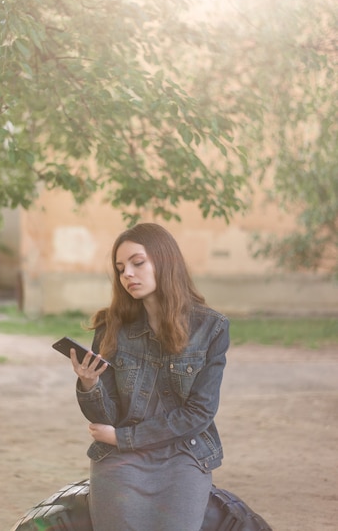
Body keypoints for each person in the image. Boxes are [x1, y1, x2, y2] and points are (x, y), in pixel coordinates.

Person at [70, 222, 230, 531]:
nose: (127, 273)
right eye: (120, 268)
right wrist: (89, 385)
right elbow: (108, 417)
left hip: (184, 455)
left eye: (137, 263)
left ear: (164, 261)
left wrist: (124, 437)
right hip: (121, 460)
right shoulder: (111, 326)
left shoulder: (211, 328)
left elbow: (200, 412)